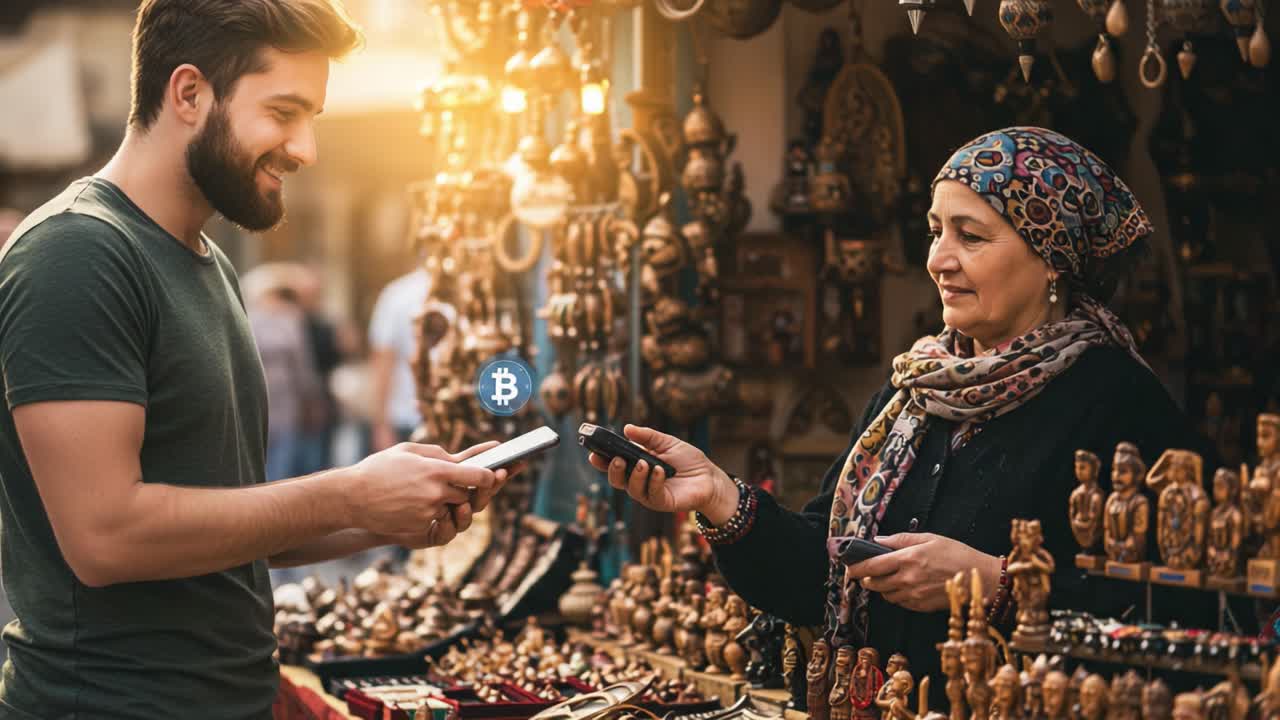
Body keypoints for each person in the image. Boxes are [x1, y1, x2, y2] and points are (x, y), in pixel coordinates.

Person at [0, 2, 517, 717]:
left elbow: (224, 526)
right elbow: (106, 537)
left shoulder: (209, 264)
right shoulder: (76, 253)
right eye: (283, 113)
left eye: (312, 118)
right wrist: (349, 493)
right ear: (188, 93)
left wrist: (385, 514)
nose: (306, 149)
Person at [591, 127, 1221, 705]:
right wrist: (717, 495)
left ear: (1052, 256)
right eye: (935, 231)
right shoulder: (915, 393)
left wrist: (993, 583)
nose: (938, 259)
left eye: (970, 237)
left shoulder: (1118, 403)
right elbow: (822, 576)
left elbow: (1188, 611)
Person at [368, 266, 447, 451]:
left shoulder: (397, 293)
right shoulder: (399, 294)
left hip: (437, 419)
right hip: (407, 418)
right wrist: (382, 424)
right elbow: (383, 362)